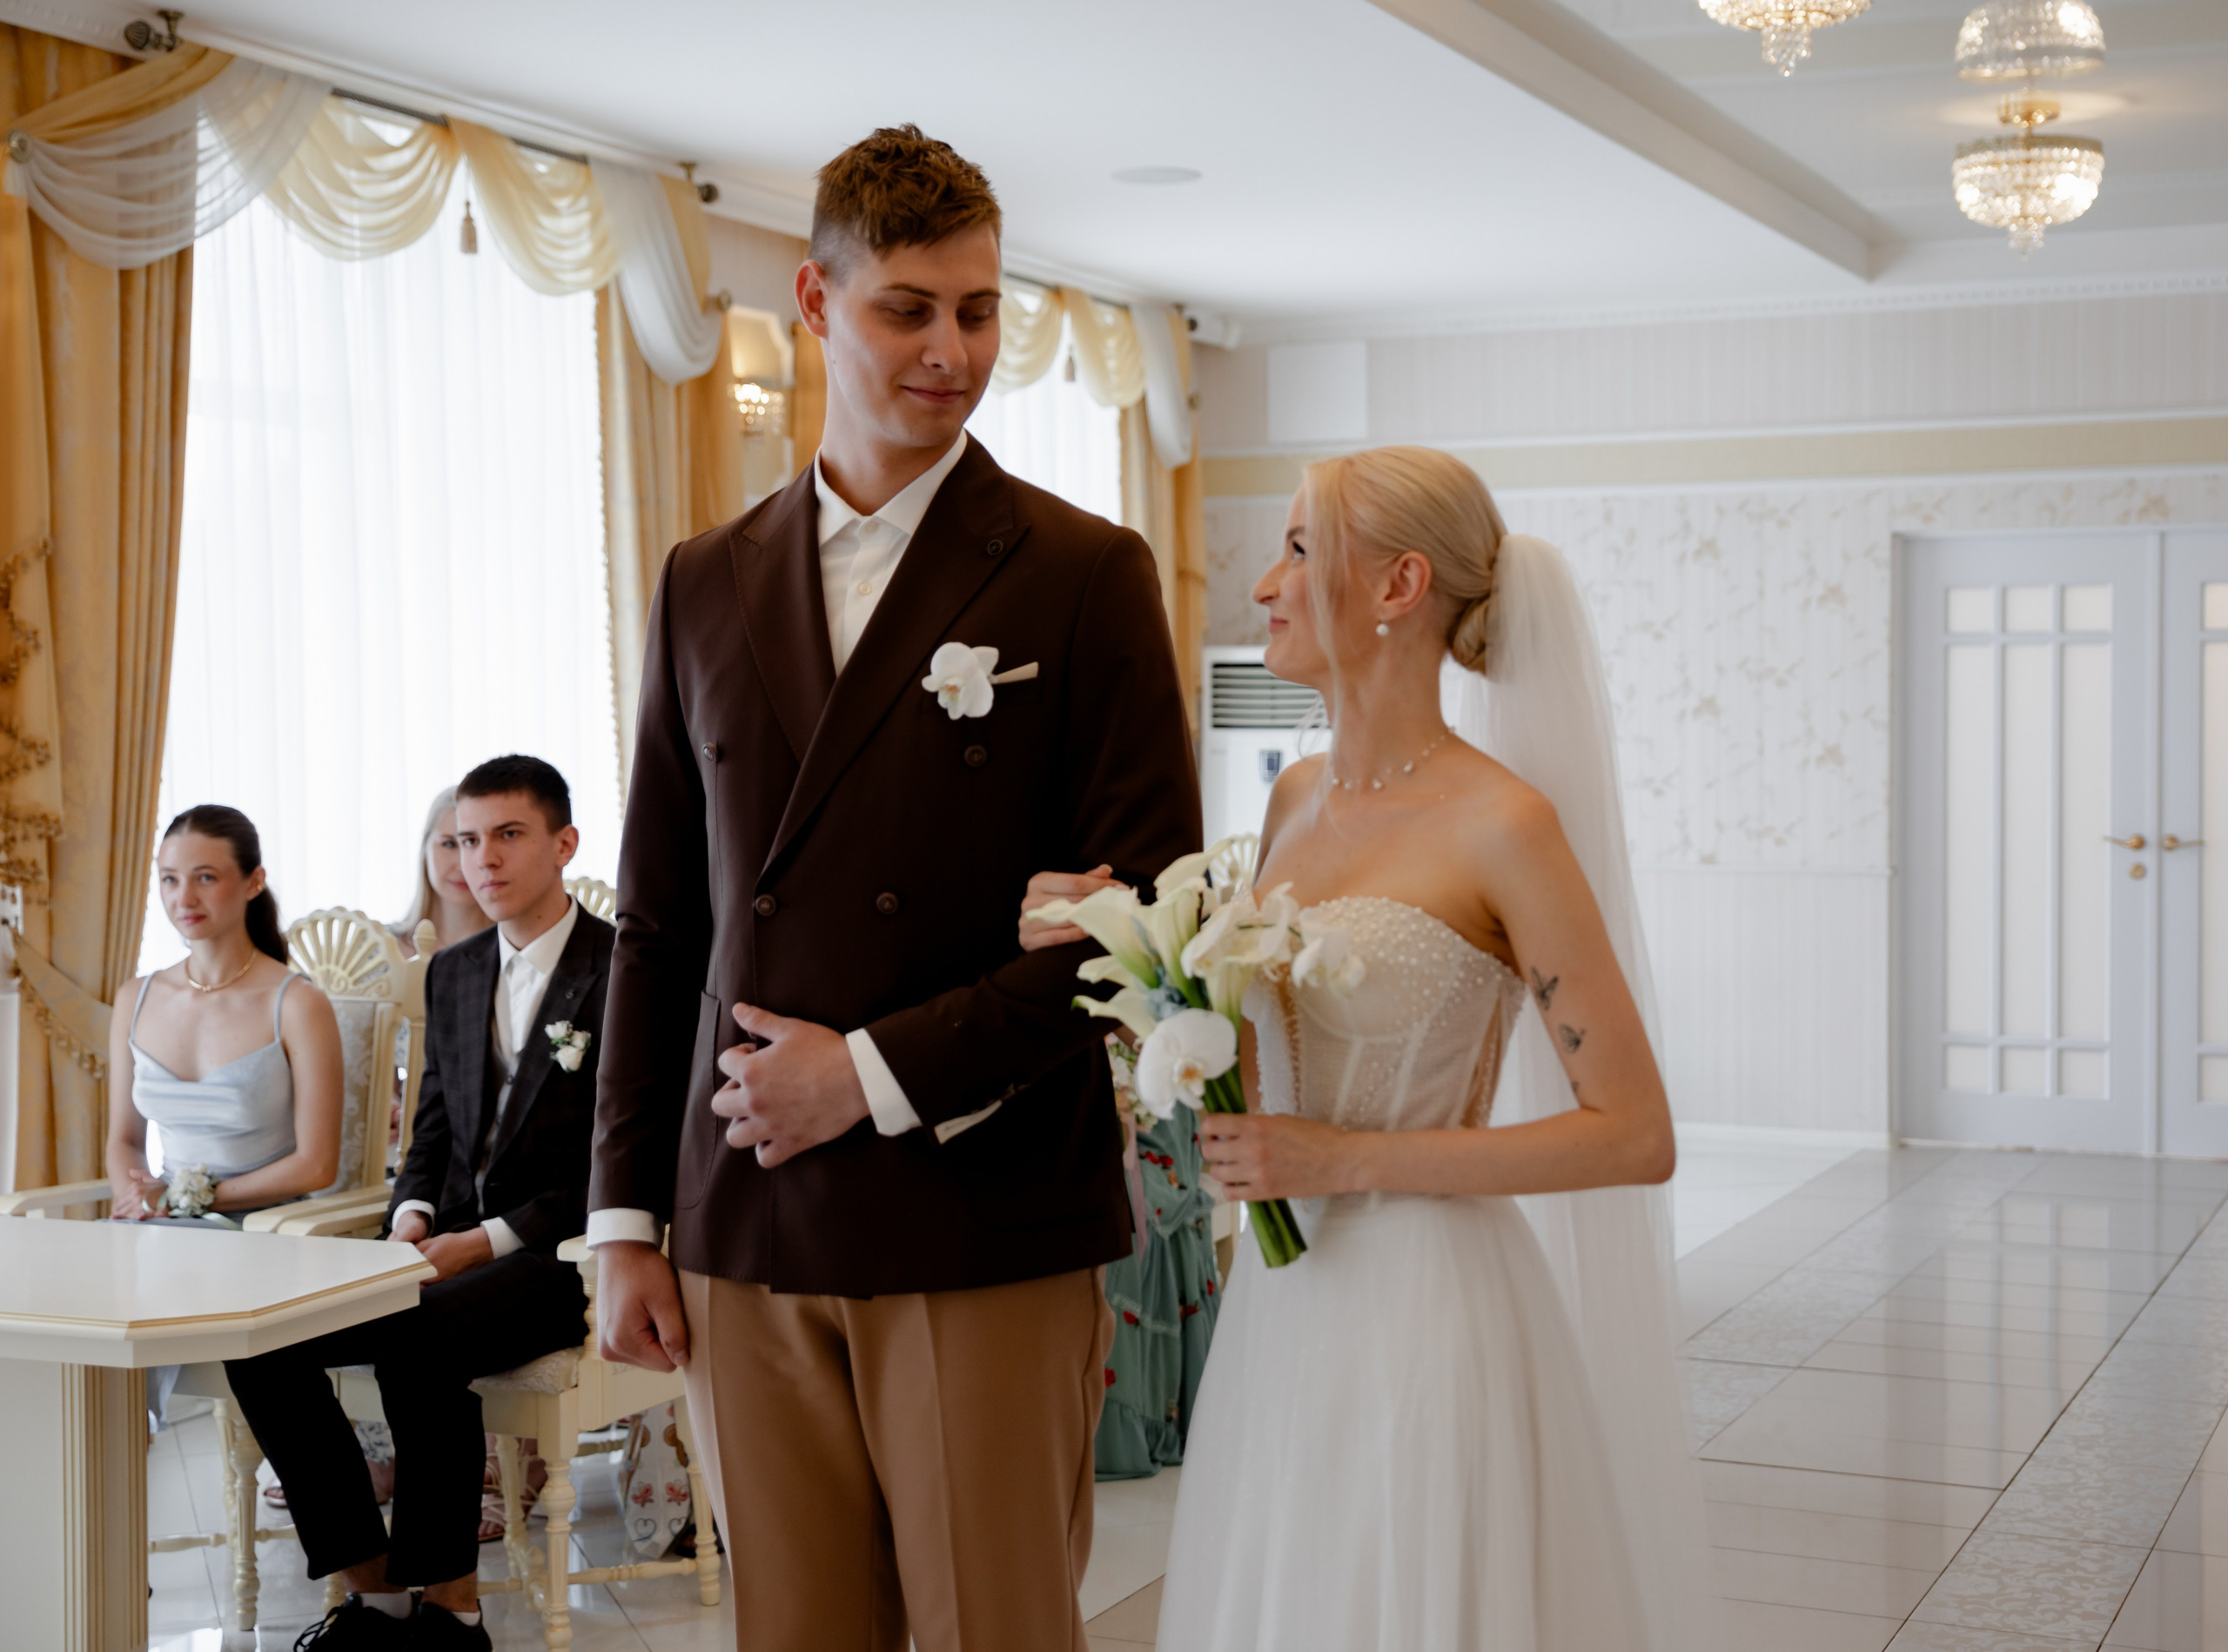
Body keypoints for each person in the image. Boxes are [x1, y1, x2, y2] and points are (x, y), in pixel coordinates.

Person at [587, 125, 1199, 1652]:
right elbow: (662, 913)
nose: (953, 351)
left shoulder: (1083, 570)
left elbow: (1144, 927)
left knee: (993, 1626)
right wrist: (620, 1215)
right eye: (908, 309)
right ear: (814, 298)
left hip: (977, 1213)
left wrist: (860, 1076)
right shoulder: (701, 577)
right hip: (747, 1216)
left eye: (980, 311)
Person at [1020, 447, 1716, 1650]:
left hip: (1428, 1307)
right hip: (1288, 1313)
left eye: (1298, 548)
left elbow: (1635, 1133)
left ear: (1398, 585)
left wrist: (1345, 1159)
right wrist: (1122, 939)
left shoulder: (1506, 825)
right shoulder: (1292, 800)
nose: (1264, 585)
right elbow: (1241, 1037)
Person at [225, 755, 614, 1651]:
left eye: (508, 834)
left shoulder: (624, 967)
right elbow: (430, 1137)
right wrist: (409, 1218)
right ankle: (376, 1596)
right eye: (467, 839)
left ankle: (453, 1612)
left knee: (417, 1333)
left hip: (565, 1258)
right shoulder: (453, 971)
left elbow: (627, 1157)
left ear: (563, 843)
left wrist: (486, 1240)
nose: (483, 858)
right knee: (258, 1334)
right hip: (445, 1255)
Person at [107, 804, 344, 1227]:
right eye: (170, 880)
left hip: (264, 1229)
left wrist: (184, 1199)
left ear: (254, 882)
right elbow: (124, 1139)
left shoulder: (297, 1005)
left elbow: (316, 1166)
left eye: (206, 878)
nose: (184, 899)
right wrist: (137, 1198)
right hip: (163, 1226)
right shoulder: (134, 998)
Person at [394, 785, 495, 957]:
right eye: (450, 844)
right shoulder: (376, 946)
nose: (462, 865)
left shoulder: (517, 952)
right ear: (425, 849)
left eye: (473, 843)